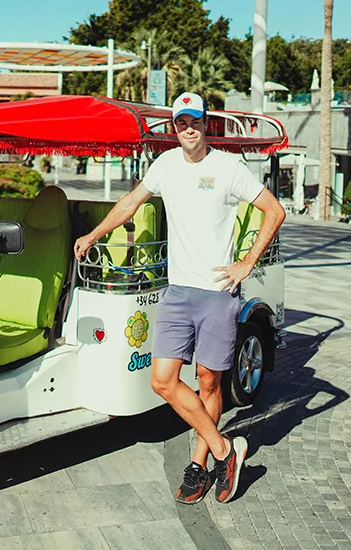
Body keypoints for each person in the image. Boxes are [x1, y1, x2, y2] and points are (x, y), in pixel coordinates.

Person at [74, 91, 285, 505]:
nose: (189, 129)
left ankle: (199, 464)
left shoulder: (228, 168)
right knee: (162, 381)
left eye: (196, 122)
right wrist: (94, 235)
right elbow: (130, 204)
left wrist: (246, 264)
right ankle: (227, 450)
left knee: (209, 380)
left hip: (217, 294)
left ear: (207, 124)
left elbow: (274, 211)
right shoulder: (165, 165)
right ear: (174, 127)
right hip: (177, 293)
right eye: (182, 122)